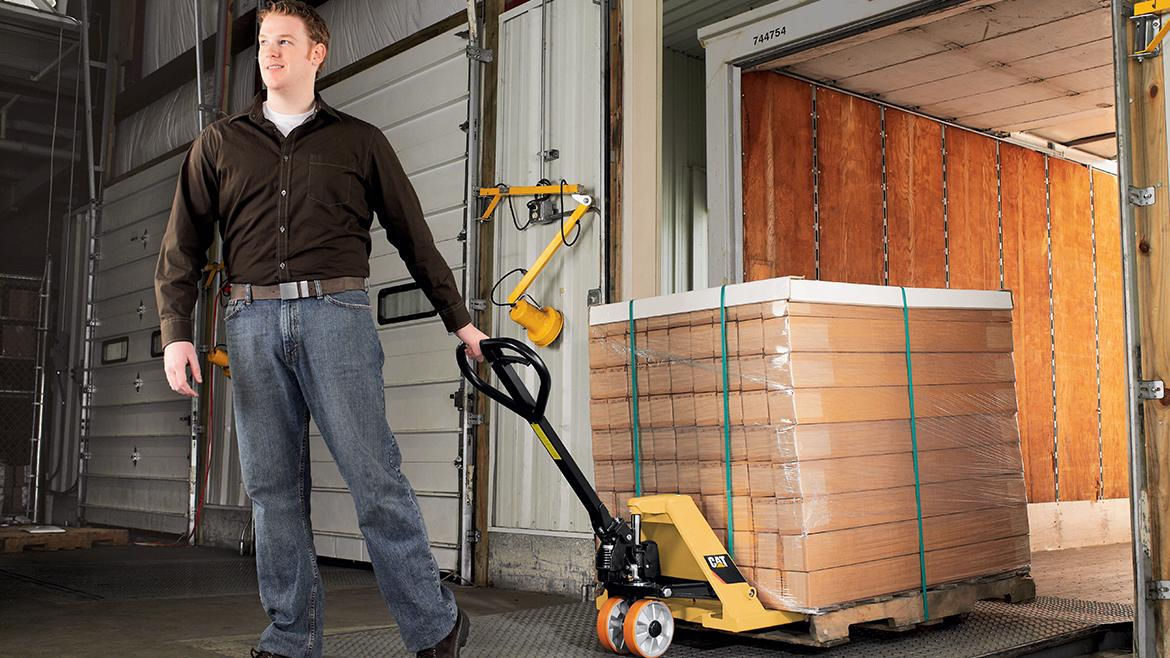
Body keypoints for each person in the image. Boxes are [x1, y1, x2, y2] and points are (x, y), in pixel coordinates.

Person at [153, 2, 484, 656]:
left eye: (285, 41)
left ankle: (435, 625)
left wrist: (461, 321)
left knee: (374, 480)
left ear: (316, 53)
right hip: (250, 323)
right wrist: (176, 332)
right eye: (263, 42)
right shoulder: (218, 144)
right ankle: (290, 638)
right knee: (272, 493)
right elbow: (181, 245)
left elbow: (414, 237)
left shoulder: (360, 142)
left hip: (337, 320)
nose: (269, 52)